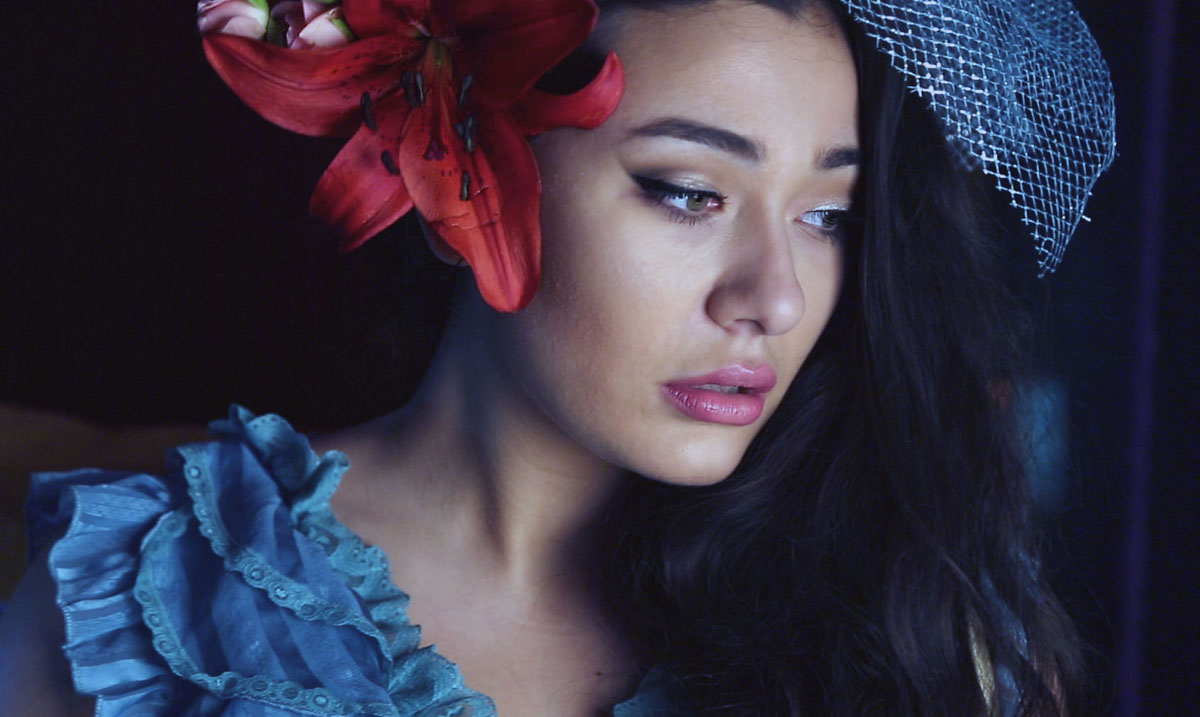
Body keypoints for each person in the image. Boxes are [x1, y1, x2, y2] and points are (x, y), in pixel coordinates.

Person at [0, 0, 1116, 714]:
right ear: (466, 170)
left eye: (829, 216)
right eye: (689, 193)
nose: (775, 297)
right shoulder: (138, 603)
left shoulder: (924, 633)